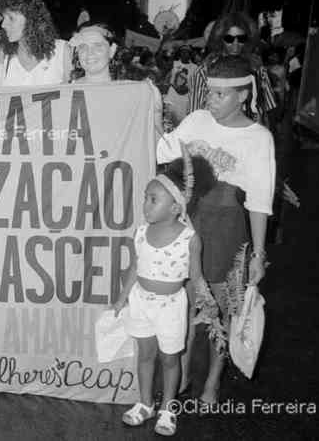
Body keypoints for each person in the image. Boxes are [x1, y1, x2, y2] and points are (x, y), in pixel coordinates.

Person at [157, 55, 275, 404]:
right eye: (209, 93)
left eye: (220, 95)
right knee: (183, 309)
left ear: (243, 95)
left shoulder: (259, 139)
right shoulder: (196, 121)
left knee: (220, 314)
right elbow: (161, 149)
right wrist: (148, 112)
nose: (211, 101)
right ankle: (177, 378)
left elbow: (259, 202)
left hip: (226, 231)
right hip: (186, 225)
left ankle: (212, 381)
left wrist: (257, 253)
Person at [112, 152, 214, 436]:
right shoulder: (141, 233)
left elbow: (195, 276)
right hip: (141, 302)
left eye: (153, 199)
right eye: (146, 197)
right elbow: (135, 267)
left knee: (170, 359)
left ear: (174, 208)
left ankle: (168, 409)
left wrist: (205, 298)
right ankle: (144, 403)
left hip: (171, 307)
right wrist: (122, 298)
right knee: (145, 354)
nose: (145, 204)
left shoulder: (189, 239)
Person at [69, 22, 164, 139]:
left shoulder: (134, 92)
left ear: (112, 50)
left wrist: (155, 113)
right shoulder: (66, 93)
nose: (90, 53)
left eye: (97, 46)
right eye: (83, 46)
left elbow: (157, 146)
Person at [187, 13, 277, 124]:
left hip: (249, 135)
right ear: (220, 39)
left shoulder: (256, 68)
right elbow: (194, 114)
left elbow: (266, 108)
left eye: (241, 38)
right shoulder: (204, 71)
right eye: (229, 39)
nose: (236, 44)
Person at [0, 0, 71, 86]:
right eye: (4, 18)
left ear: (31, 19)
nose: (3, 25)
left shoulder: (62, 51)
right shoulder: (4, 55)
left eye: (11, 18)